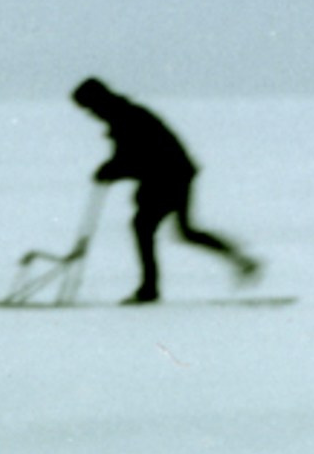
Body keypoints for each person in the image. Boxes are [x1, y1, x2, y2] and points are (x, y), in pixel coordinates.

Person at [72, 77, 261, 304]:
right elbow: (131, 157)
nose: (90, 114)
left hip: (170, 176)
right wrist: (113, 169)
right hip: (172, 175)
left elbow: (145, 158)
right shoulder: (122, 116)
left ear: (99, 101)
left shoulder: (127, 118)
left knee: (146, 227)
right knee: (182, 230)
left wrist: (114, 171)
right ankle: (241, 261)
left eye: (89, 107)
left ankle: (149, 289)